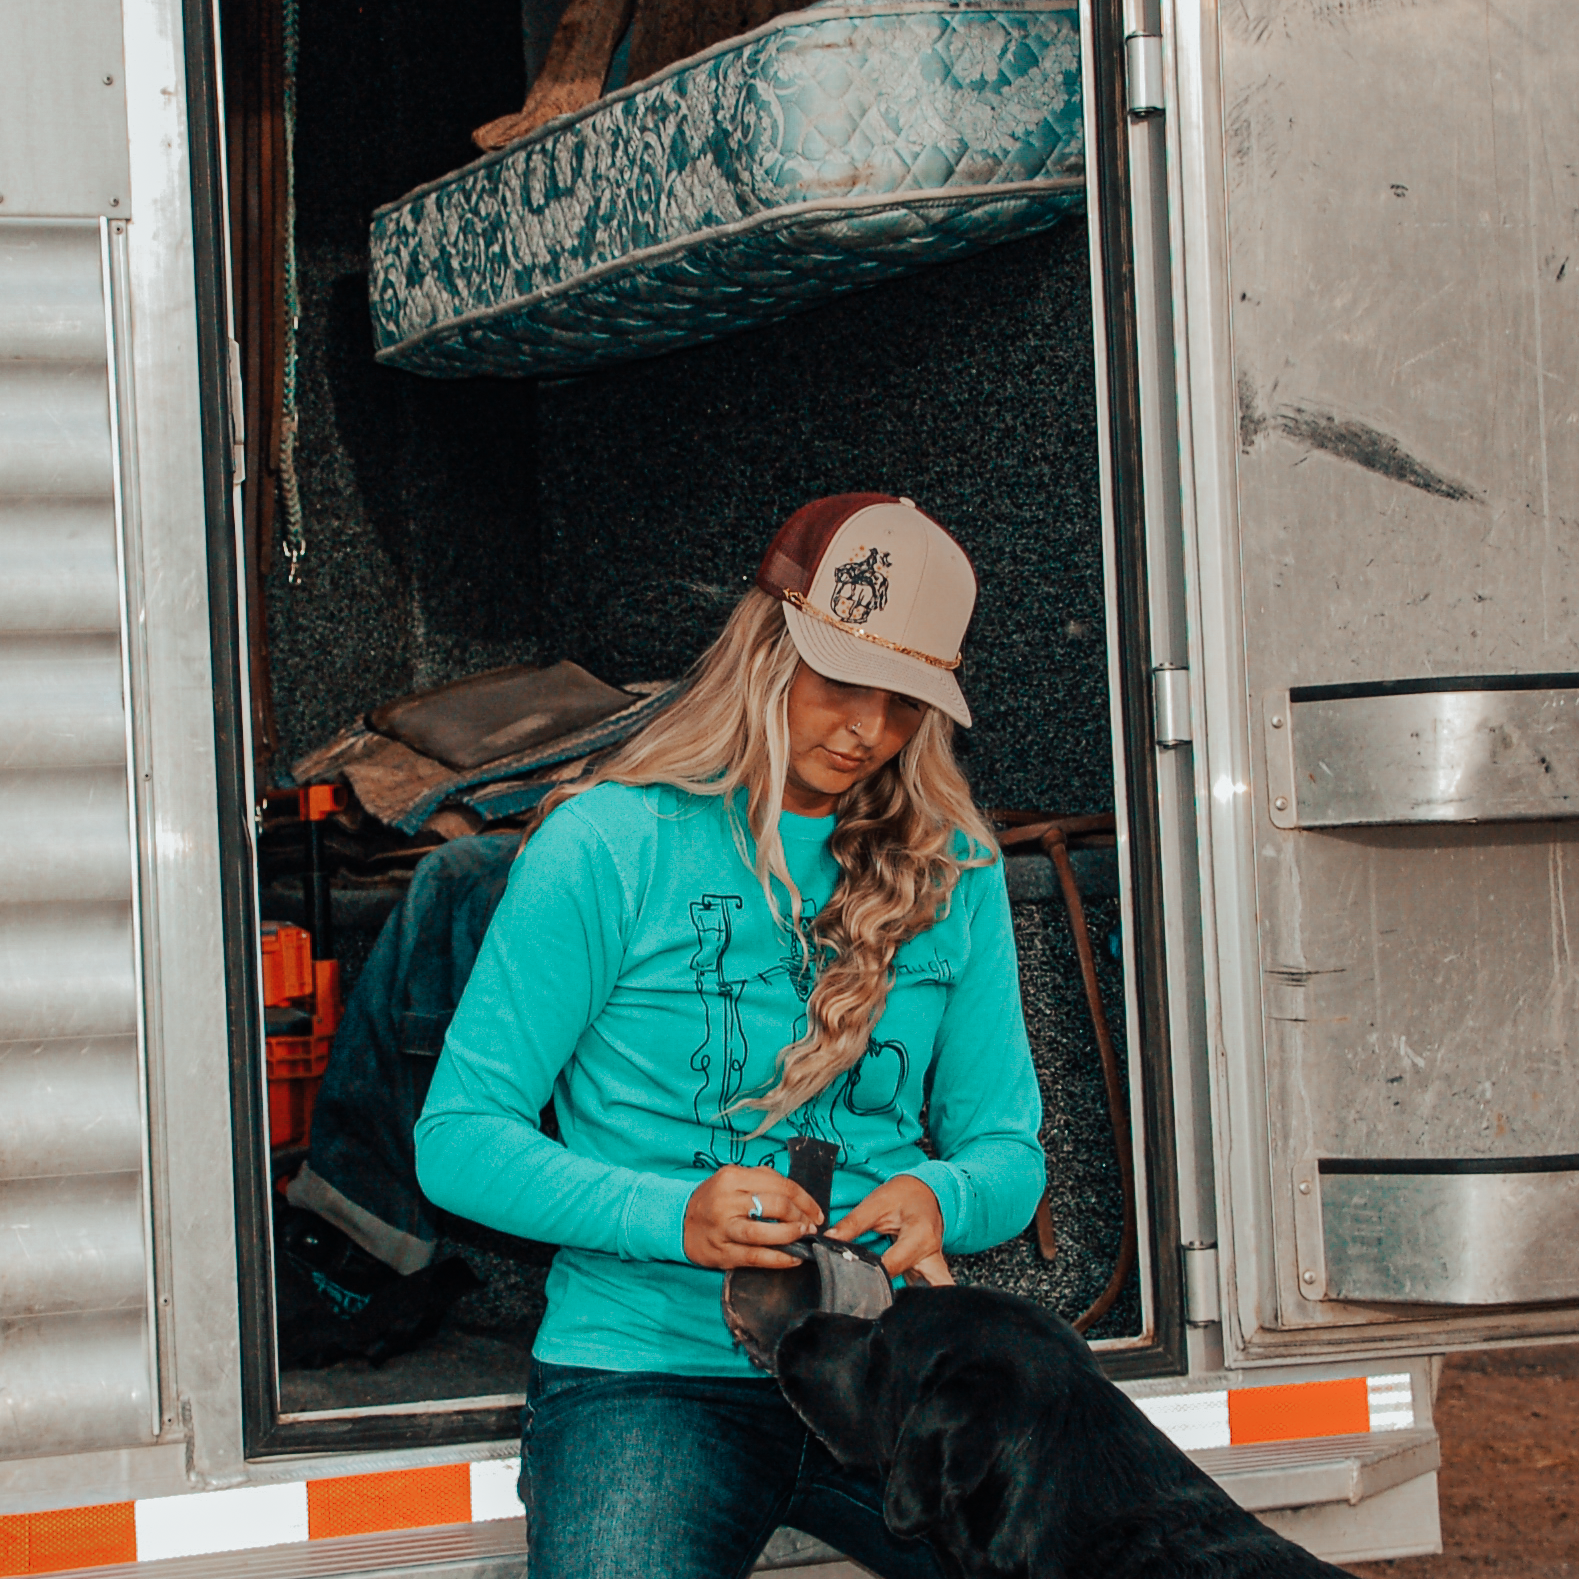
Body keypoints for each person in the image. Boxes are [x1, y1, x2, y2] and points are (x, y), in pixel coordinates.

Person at [415, 494, 1045, 1578]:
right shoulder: (606, 843)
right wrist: (674, 1217)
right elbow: (459, 1138)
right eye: (841, 680)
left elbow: (1009, 1150)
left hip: (890, 1363)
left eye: (902, 700)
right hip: (650, 1373)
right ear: (766, 644)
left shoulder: (958, 868)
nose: (867, 729)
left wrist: (946, 1196)